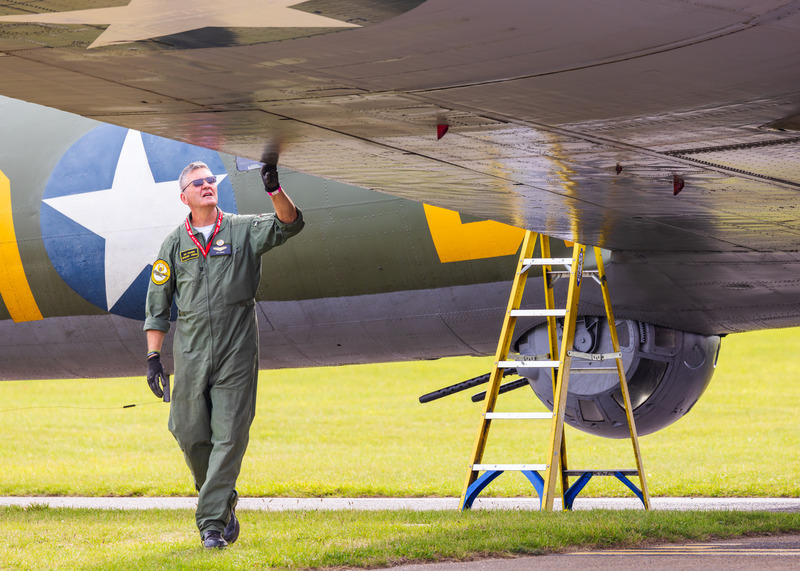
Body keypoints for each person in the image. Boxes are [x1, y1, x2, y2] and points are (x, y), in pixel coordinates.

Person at [144, 160, 304, 549]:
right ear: (184, 197)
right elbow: (157, 305)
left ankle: (212, 524)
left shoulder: (242, 229)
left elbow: (289, 224)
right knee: (187, 431)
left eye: (210, 180)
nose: (207, 185)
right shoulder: (173, 245)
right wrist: (153, 358)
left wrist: (274, 189)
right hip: (192, 350)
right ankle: (221, 497)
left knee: (229, 434)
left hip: (236, 347)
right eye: (198, 183)